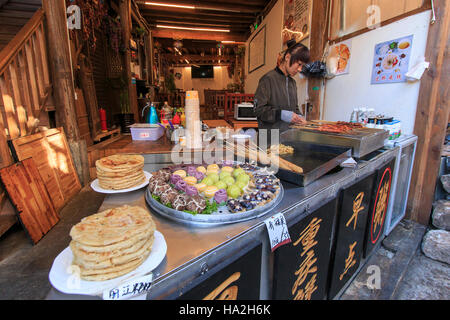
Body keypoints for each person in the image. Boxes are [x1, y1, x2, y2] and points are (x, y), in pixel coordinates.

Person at [254, 39, 310, 144]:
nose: (299, 69)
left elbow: (294, 108)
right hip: (268, 138)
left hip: (287, 137)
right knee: (267, 160)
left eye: (302, 66)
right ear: (288, 57)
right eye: (299, 64)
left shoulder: (293, 83)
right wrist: (282, 114)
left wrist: (299, 117)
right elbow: (258, 110)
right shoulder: (268, 79)